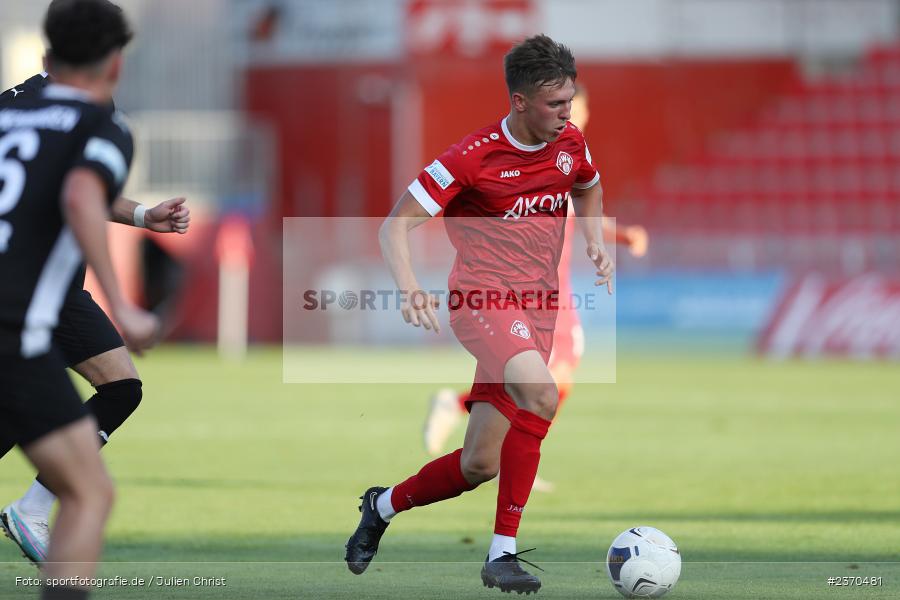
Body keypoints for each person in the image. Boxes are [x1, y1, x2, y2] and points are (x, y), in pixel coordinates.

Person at [345, 35, 614, 594]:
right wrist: (409, 287)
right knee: (542, 395)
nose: (568, 114)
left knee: (478, 465)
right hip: (482, 299)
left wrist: (594, 238)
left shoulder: (570, 143)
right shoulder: (471, 157)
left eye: (569, 102)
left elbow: (589, 186)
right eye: (555, 105)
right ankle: (503, 555)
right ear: (519, 102)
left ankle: (383, 506)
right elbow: (394, 224)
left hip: (536, 312)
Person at [0, 1, 157, 598]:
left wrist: (142, 213)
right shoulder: (101, 124)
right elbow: (81, 197)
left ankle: (30, 511)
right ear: (115, 64)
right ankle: (31, 515)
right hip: (21, 316)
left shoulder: (6, 113)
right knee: (90, 492)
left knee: (106, 395)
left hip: (31, 310)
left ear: (46, 56)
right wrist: (124, 299)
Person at [422, 84, 648, 494]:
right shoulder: (539, 152)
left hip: (554, 291)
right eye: (569, 104)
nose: (576, 111)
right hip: (533, 294)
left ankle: (516, 454)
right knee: (547, 381)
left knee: (556, 381)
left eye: (577, 104)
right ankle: (466, 415)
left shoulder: (568, 154)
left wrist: (617, 236)